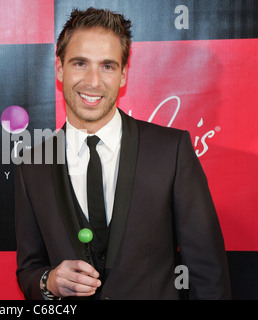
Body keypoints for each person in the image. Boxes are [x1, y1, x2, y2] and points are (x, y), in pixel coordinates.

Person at [14, 7, 231, 300]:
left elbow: (209, 274)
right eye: (80, 63)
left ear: (123, 74)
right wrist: (49, 281)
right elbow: (29, 269)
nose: (93, 81)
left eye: (107, 66)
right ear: (59, 68)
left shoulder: (171, 150)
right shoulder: (33, 164)